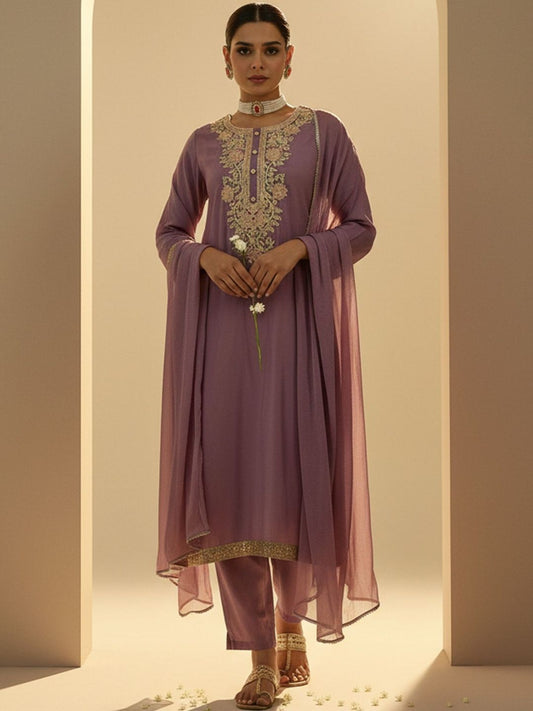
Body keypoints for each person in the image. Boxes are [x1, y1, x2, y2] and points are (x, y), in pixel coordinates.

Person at [155, 4, 379, 708]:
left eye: (270, 49)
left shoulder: (323, 132)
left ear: (290, 57)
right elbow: (168, 232)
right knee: (228, 488)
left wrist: (301, 248)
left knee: (292, 480)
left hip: (296, 336)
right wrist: (203, 258)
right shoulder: (203, 143)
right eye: (245, 50)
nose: (258, 62)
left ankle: (290, 626)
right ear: (225, 59)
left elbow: (362, 227)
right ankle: (258, 657)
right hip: (220, 339)